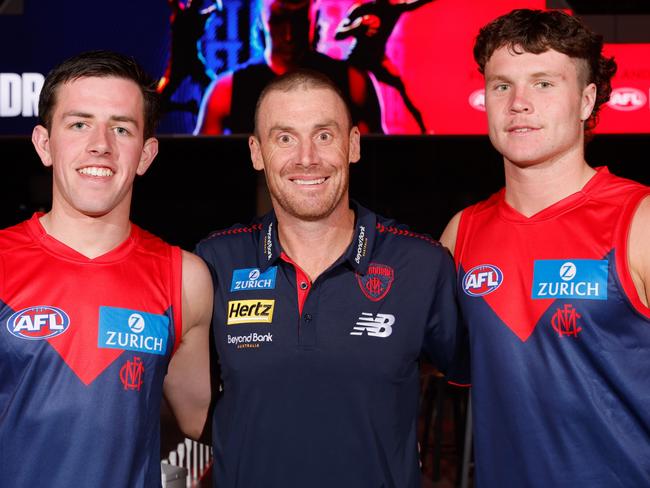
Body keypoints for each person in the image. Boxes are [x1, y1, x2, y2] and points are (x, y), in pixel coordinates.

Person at [196, 69, 459, 487]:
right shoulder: (213, 262)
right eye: (284, 138)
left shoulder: (422, 263)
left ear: (352, 144)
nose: (306, 158)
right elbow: (184, 405)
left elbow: (485, 389)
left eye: (323, 135)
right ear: (256, 152)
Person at [440, 9, 650, 487]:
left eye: (543, 84)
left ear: (586, 100)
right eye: (501, 86)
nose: (518, 103)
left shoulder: (640, 221)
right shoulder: (461, 234)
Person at [0, 51, 213, 487]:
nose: (101, 144)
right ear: (44, 144)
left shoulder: (185, 277)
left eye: (121, 128)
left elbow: (203, 421)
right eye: (79, 124)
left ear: (146, 154)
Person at [194, 0, 383, 135]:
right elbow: (204, 168)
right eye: (277, 20)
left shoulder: (353, 83)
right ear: (262, 19)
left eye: (298, 20)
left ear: (313, 16)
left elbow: (376, 167)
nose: (288, 35)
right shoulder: (226, 91)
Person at [335, 0, 434, 133]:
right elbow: (338, 34)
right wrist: (356, 26)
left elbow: (415, 3)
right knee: (349, 97)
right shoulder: (360, 9)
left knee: (401, 88)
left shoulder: (394, 9)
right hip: (356, 60)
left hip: (376, 60)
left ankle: (424, 131)